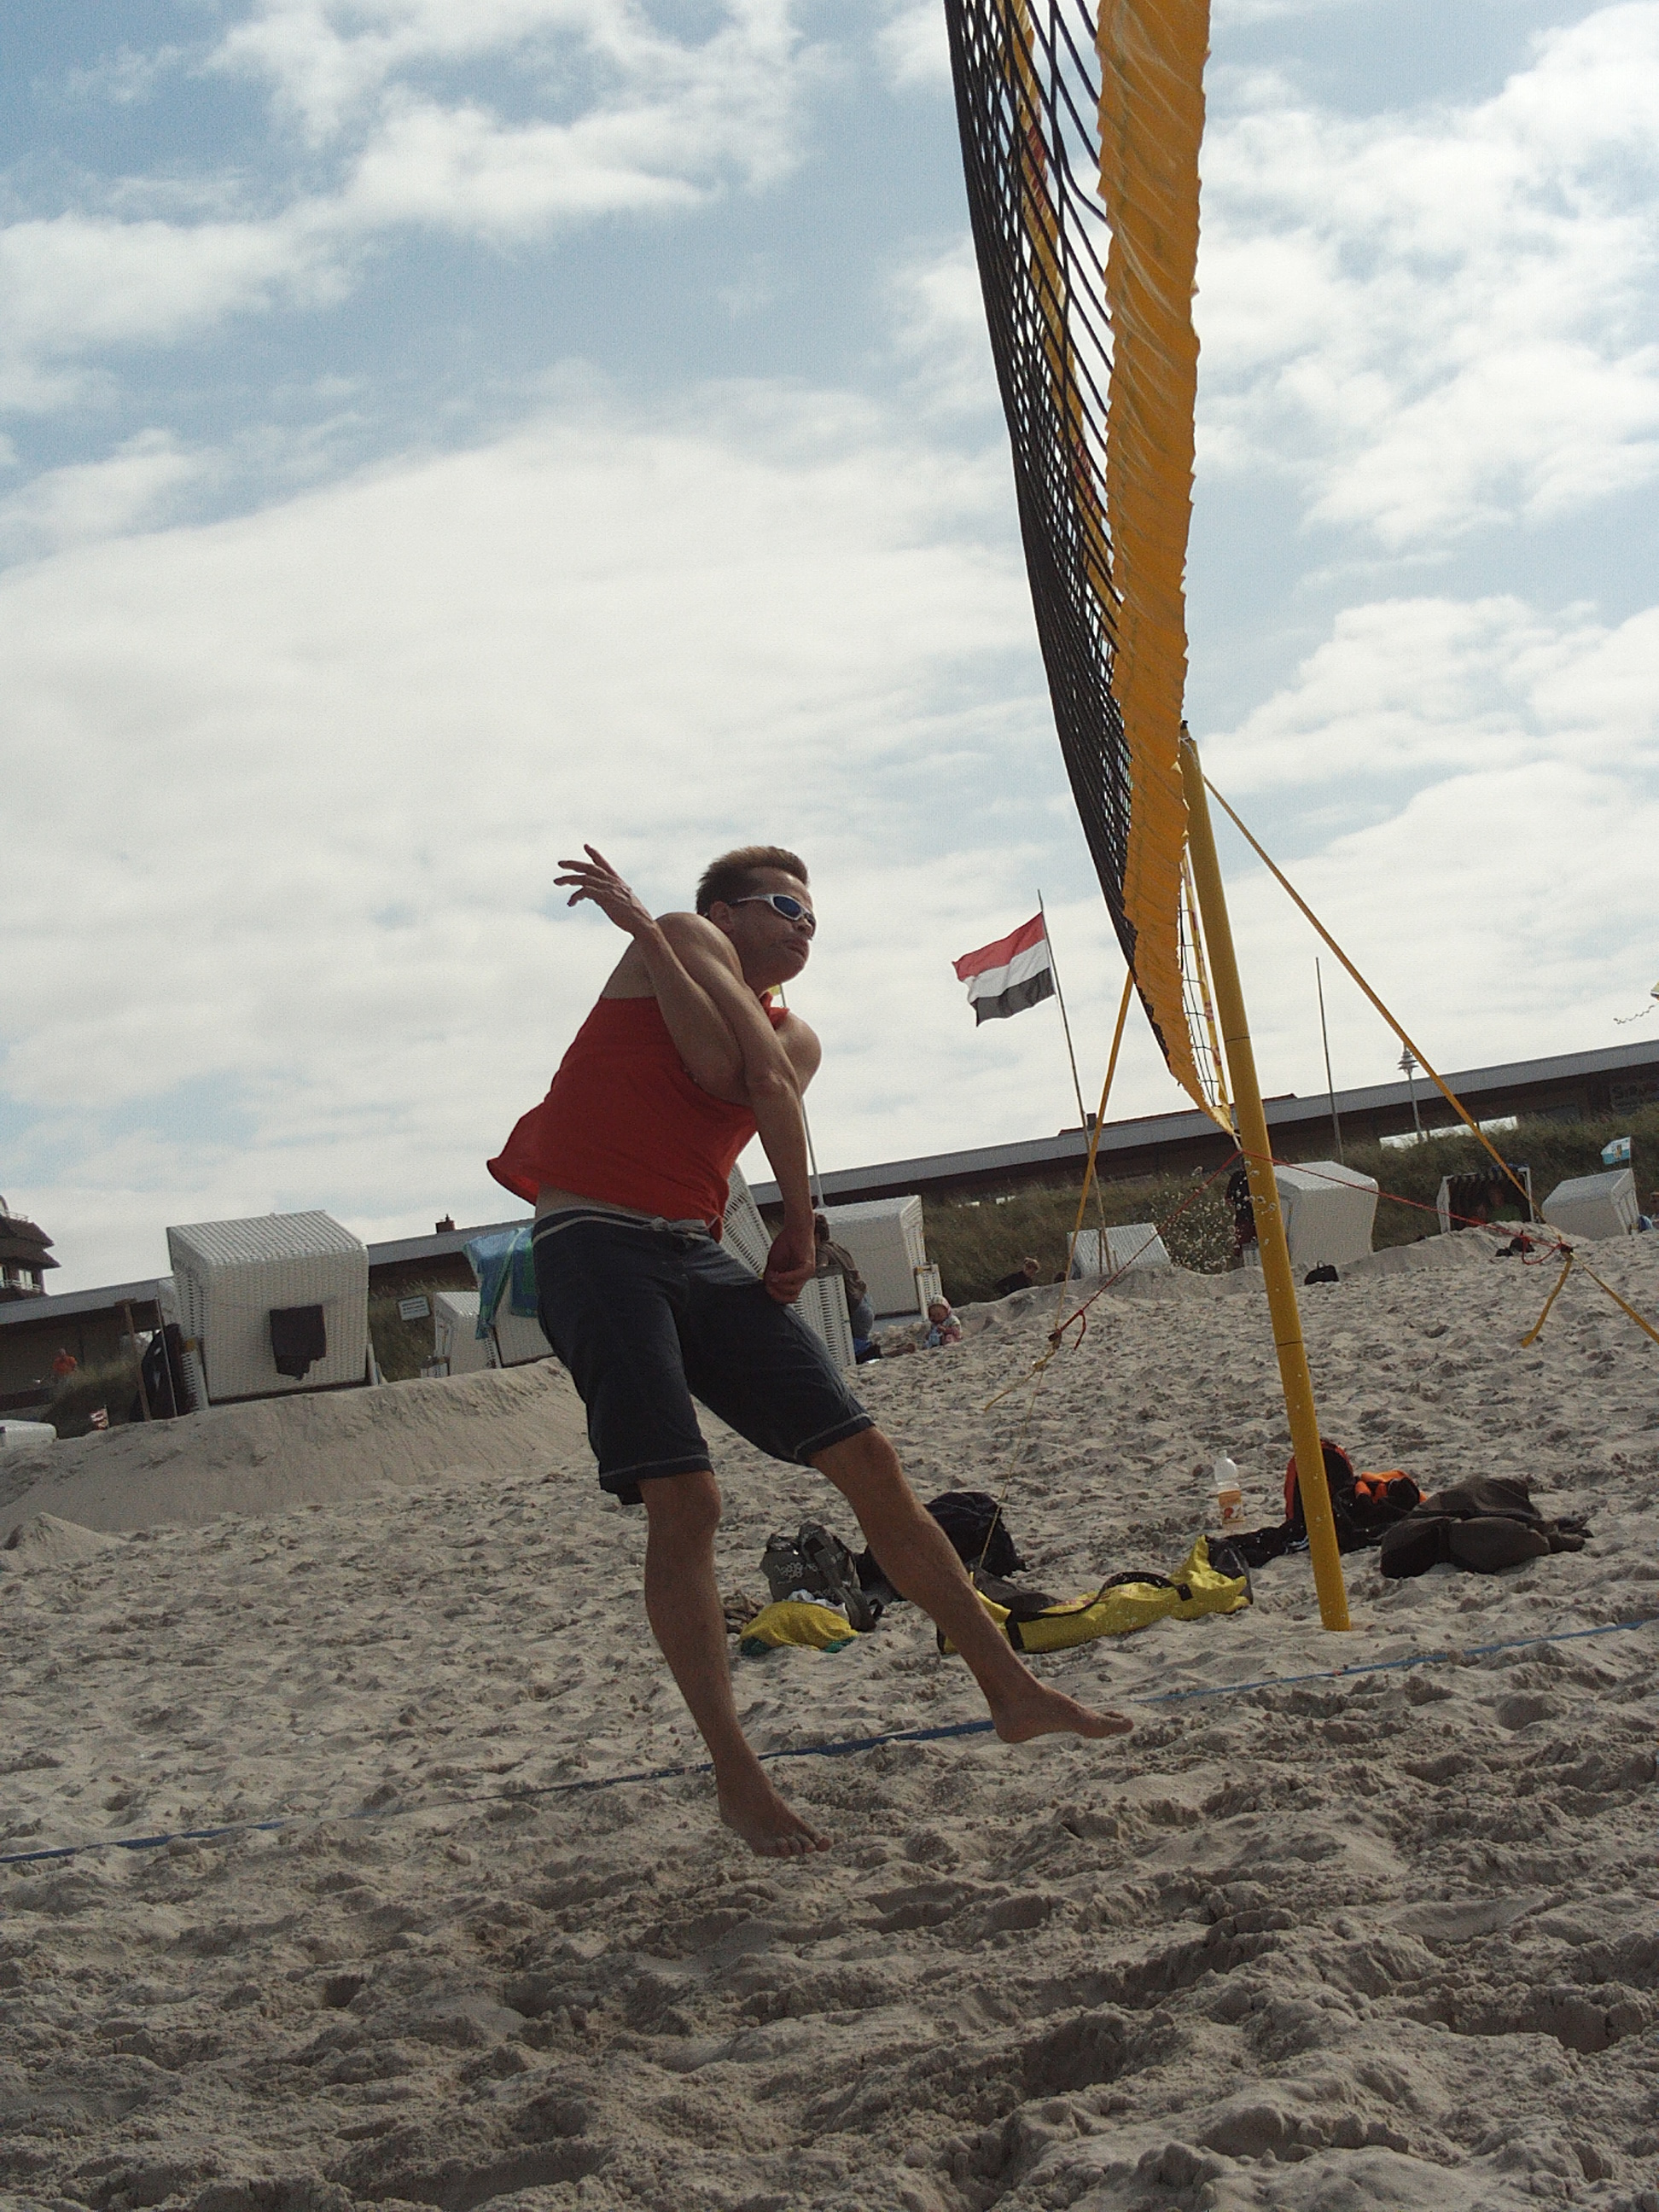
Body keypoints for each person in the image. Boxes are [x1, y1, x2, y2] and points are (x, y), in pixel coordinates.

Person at [488, 842, 1130, 1858]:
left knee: (868, 1457)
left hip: (691, 1245)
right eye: (785, 907)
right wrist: (653, 934)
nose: (804, 928)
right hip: (592, 1238)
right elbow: (725, 1072)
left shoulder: (800, 1036)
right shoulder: (682, 931)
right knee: (688, 1500)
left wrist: (799, 1226)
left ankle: (1012, 1690)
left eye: (813, 918)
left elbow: (754, 1076)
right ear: (724, 914)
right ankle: (736, 1776)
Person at [813, 1214, 874, 1342]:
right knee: (861, 1344)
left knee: (851, 1347)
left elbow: (821, 1270)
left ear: (816, 1236)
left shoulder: (821, 1251)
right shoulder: (838, 1247)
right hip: (864, 1300)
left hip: (854, 1309)